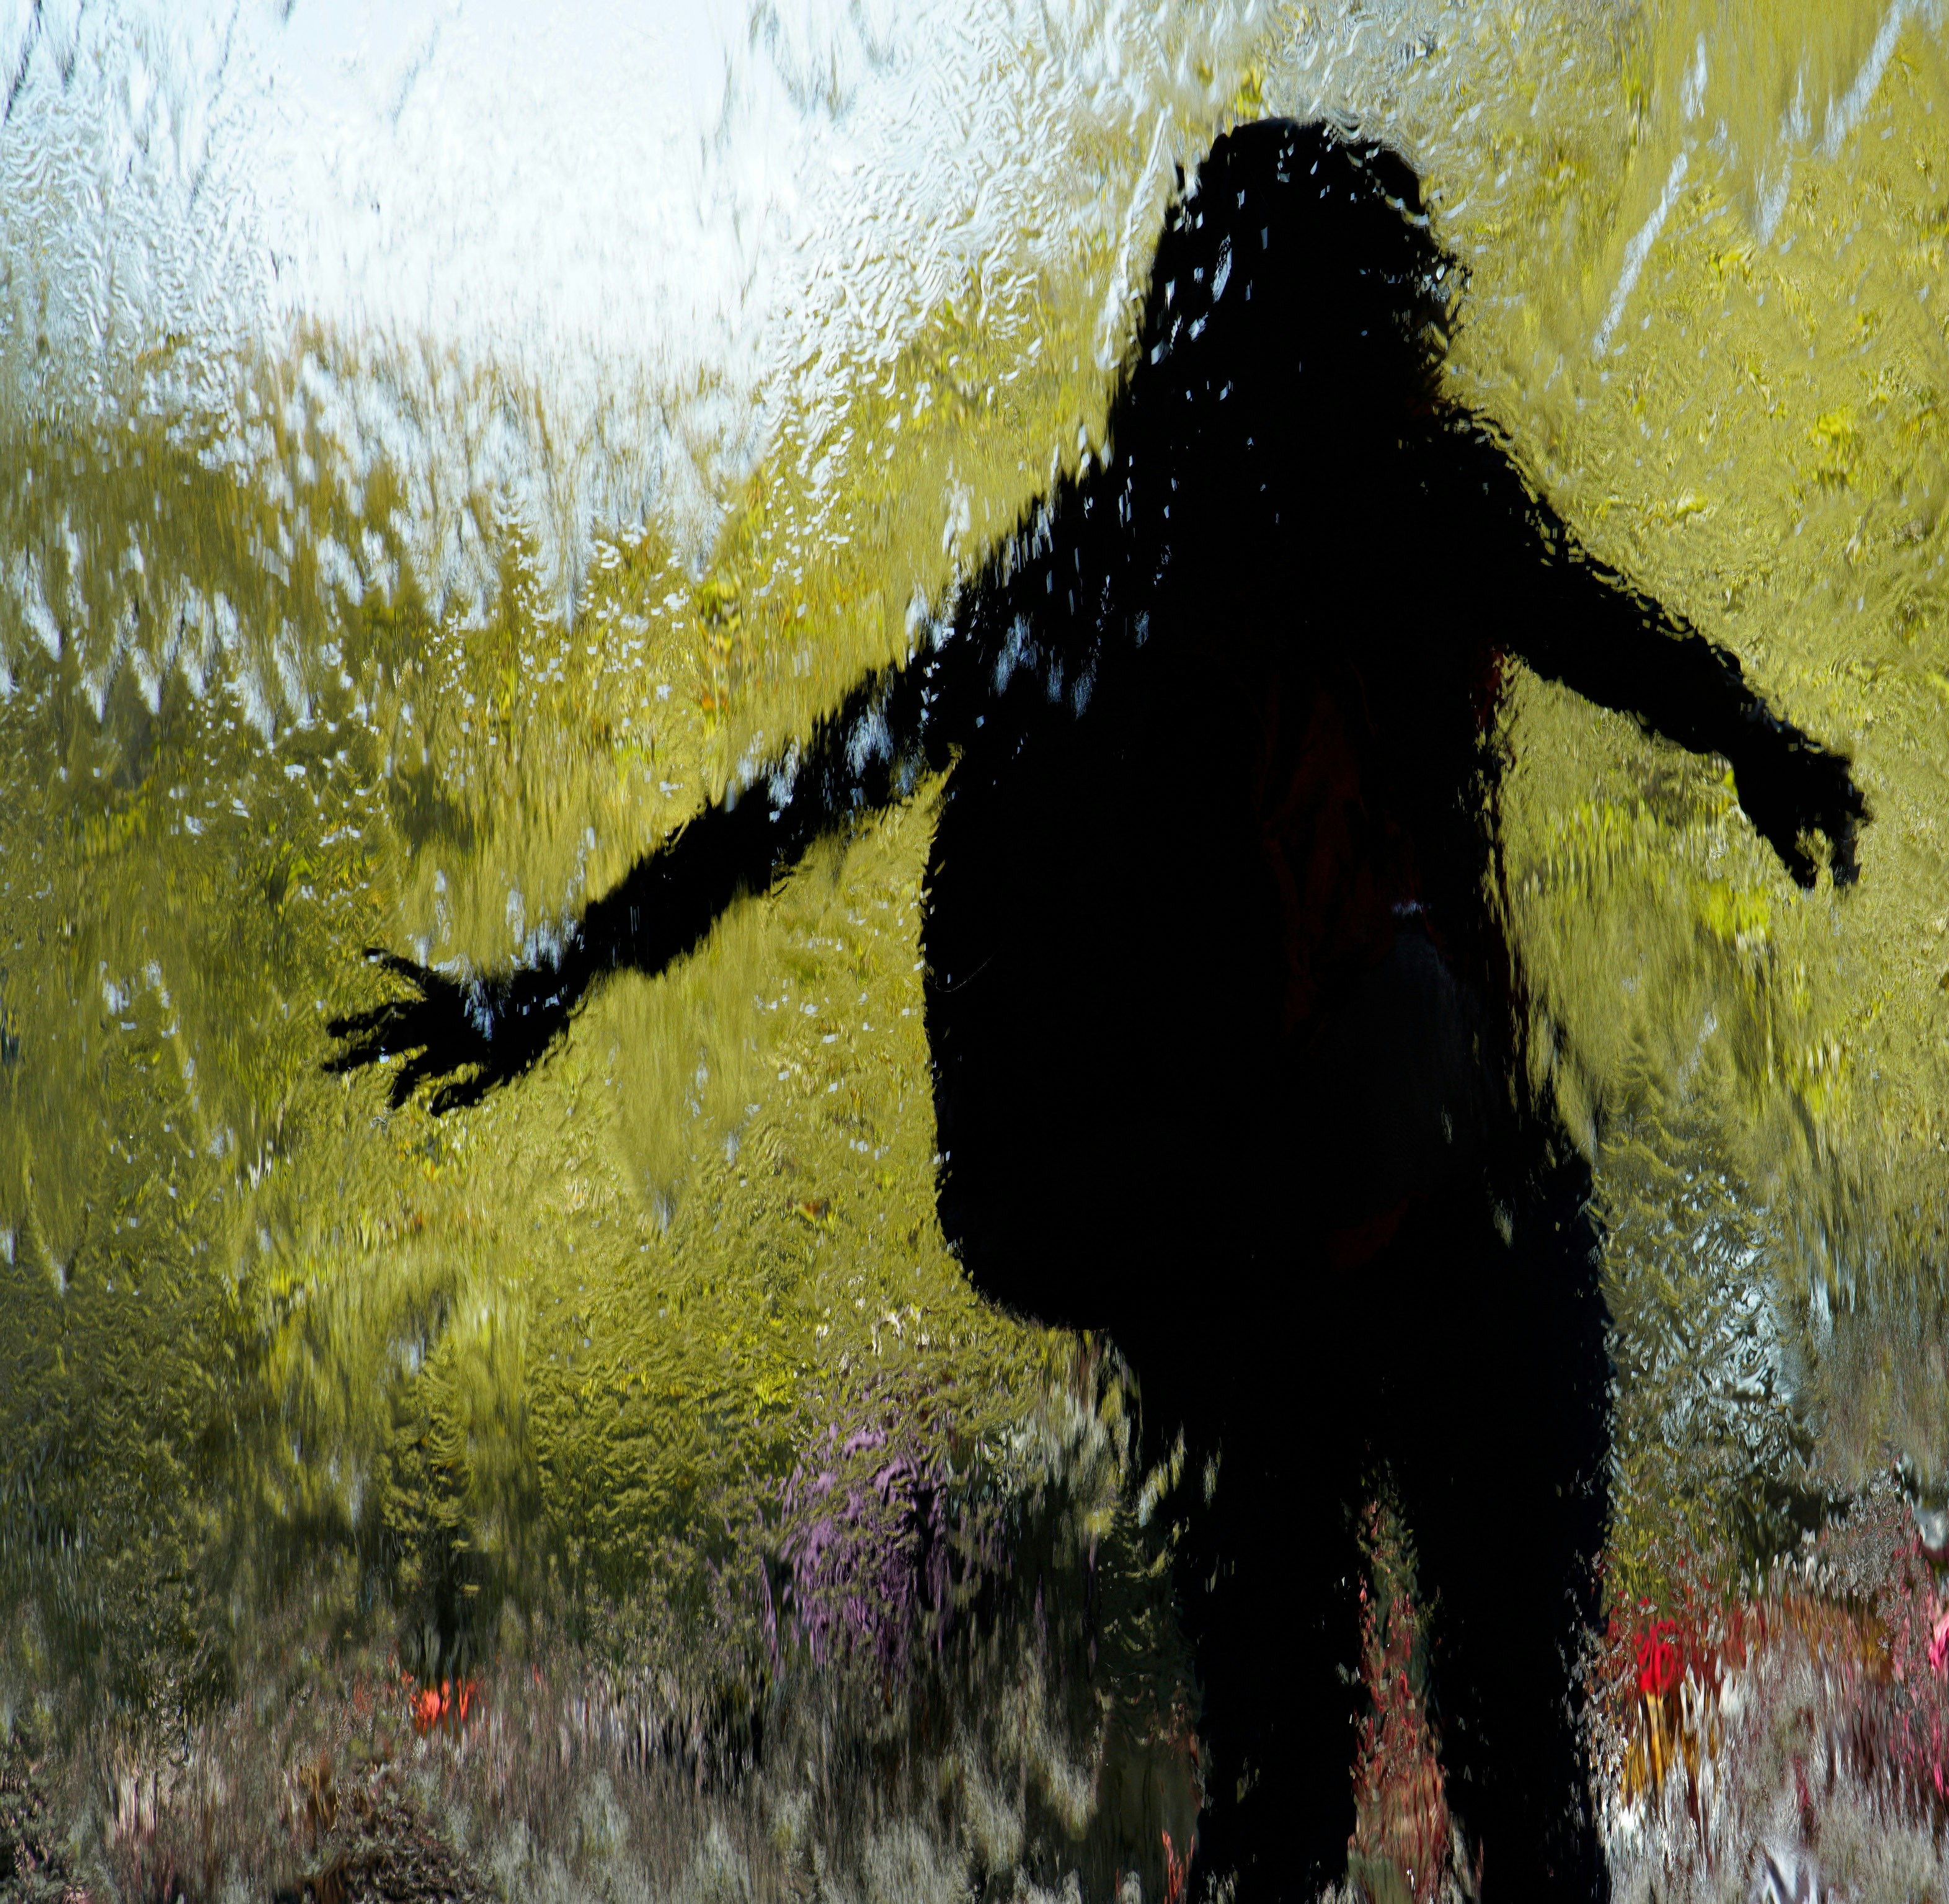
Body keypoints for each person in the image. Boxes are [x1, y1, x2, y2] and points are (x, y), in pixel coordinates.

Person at [327, 117, 1868, 1900]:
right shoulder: (1131, 552)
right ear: (1301, 327)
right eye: (1382, 310)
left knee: (1456, 1755)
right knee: (1331, 1775)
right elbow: (828, 779)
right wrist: (558, 980)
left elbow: (1603, 632)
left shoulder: (1396, 502)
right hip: (1249, 1240)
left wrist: (1759, 740)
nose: (1413, 343)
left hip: (1434, 1207)